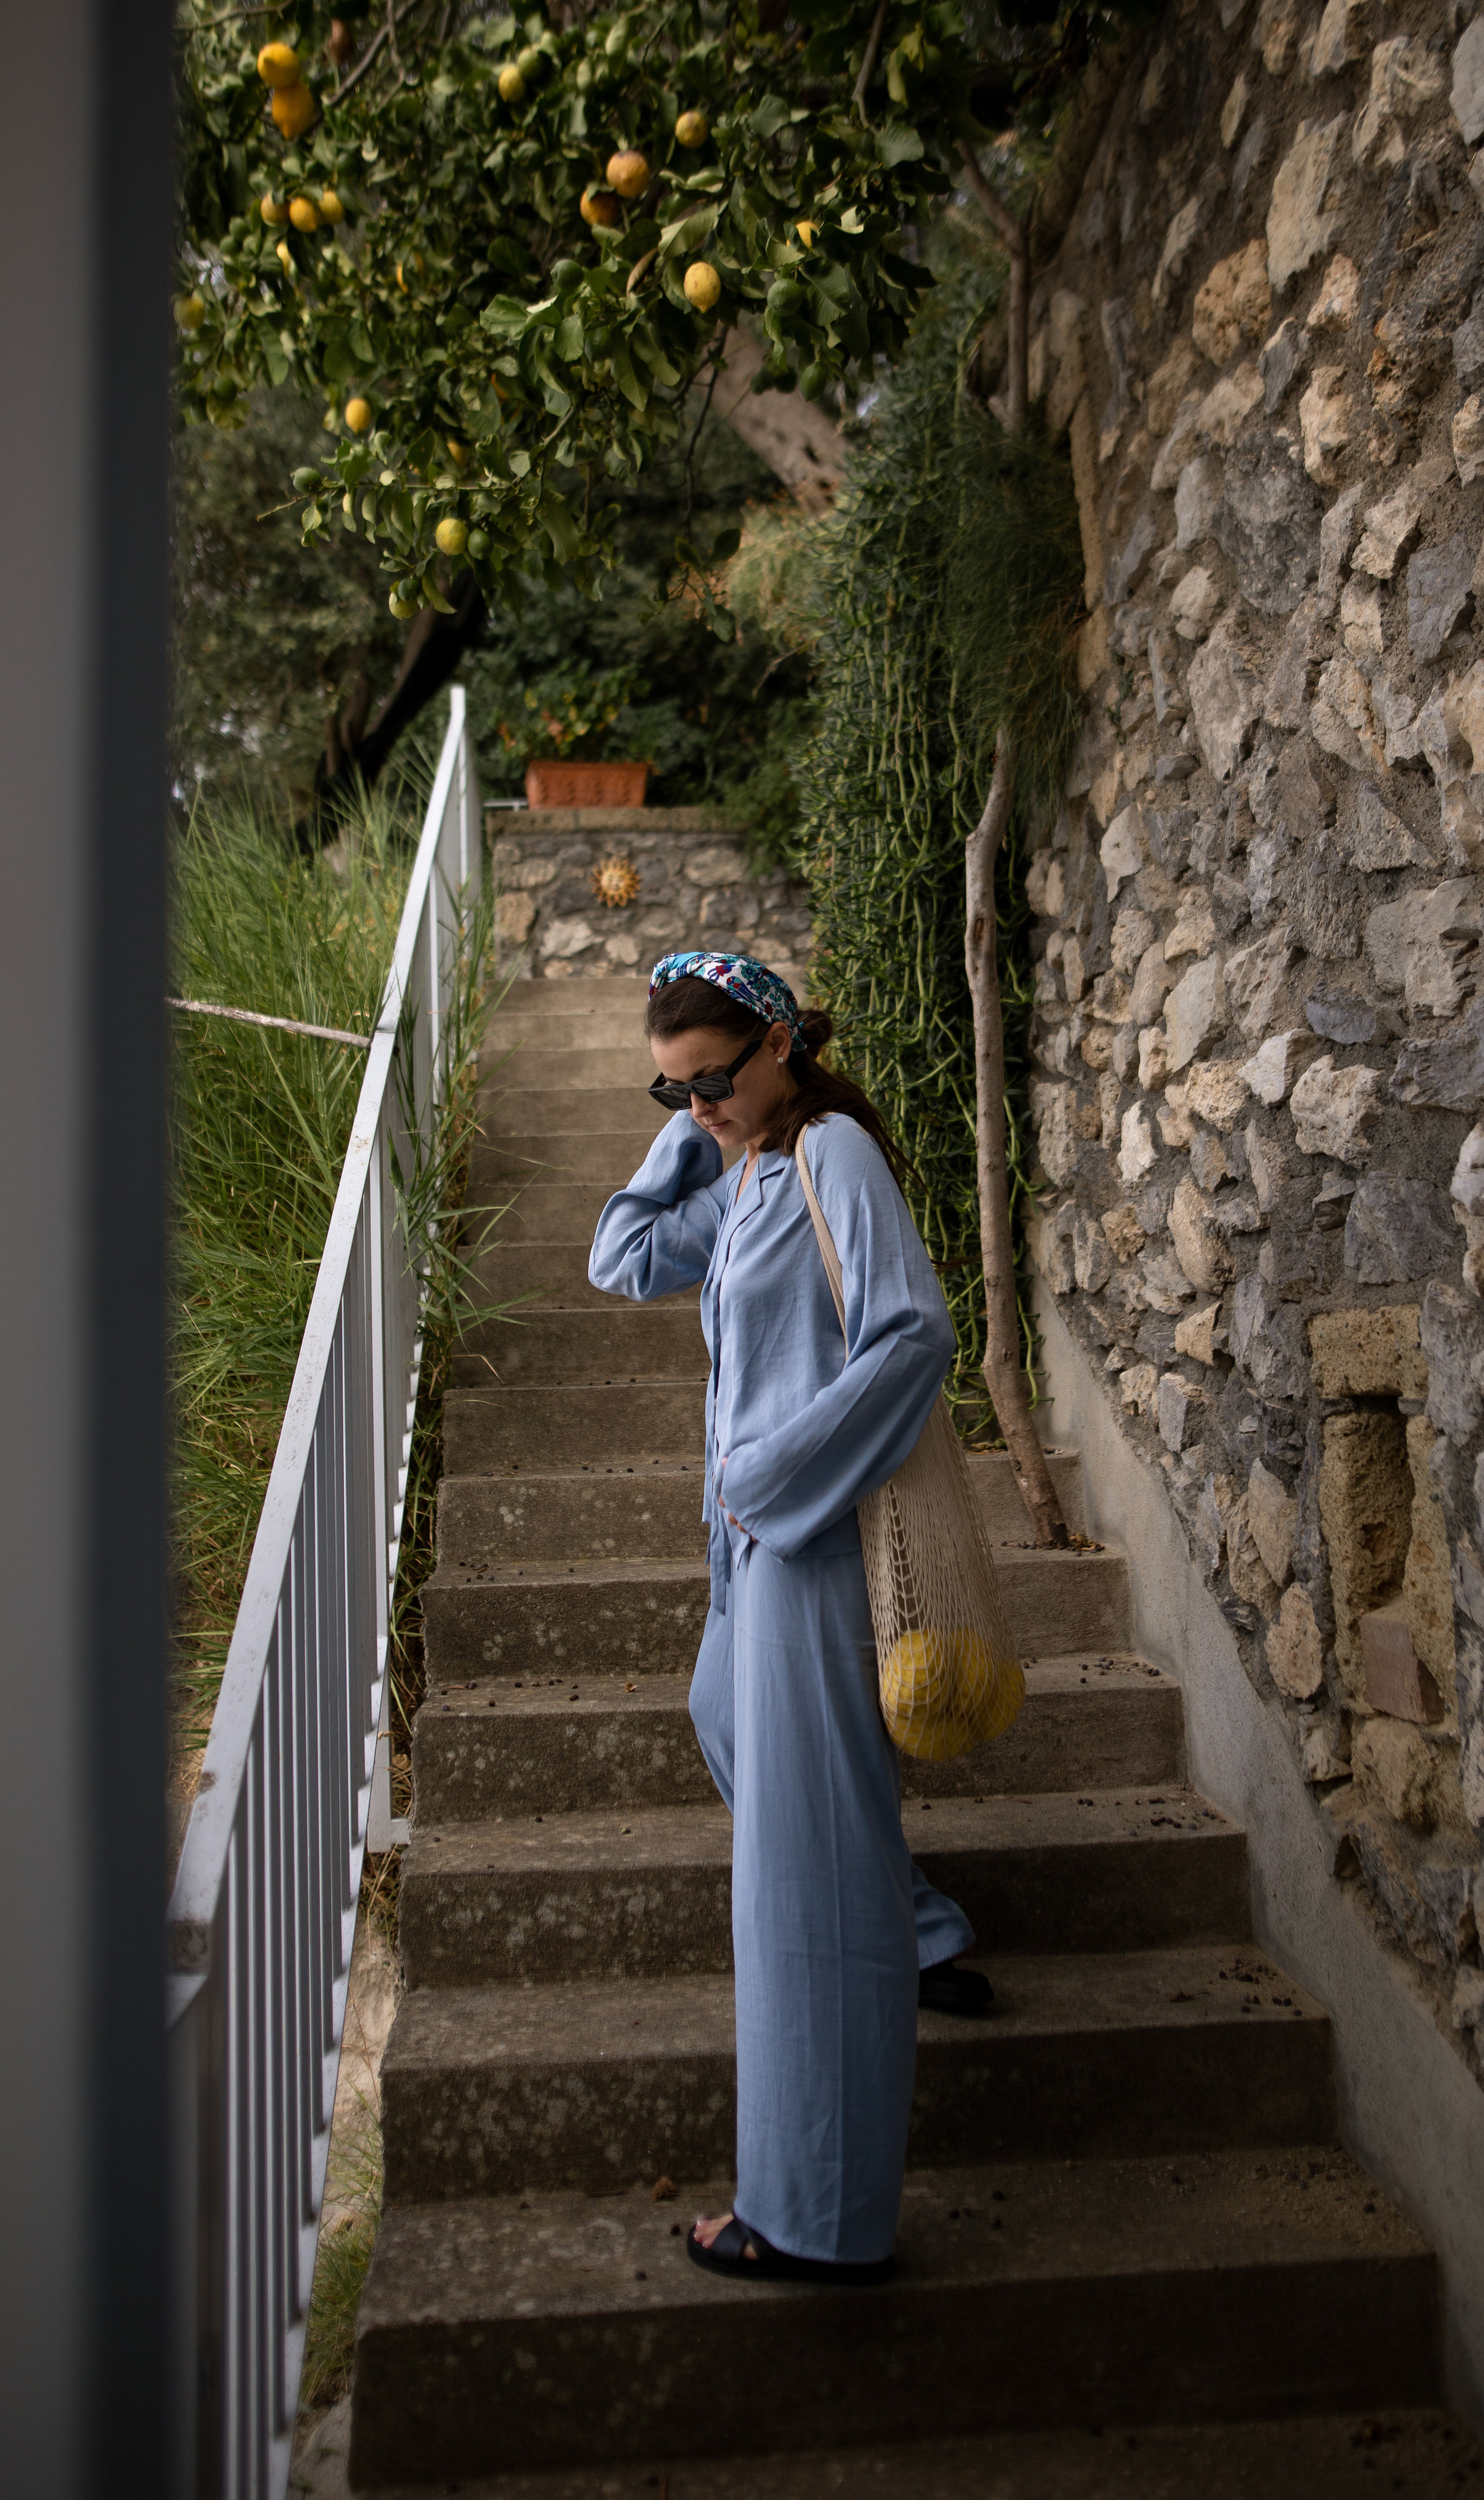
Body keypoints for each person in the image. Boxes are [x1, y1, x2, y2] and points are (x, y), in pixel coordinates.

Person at [588, 951, 993, 2287]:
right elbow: (623, 1255)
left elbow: (913, 1335)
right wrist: (695, 1122)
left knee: (798, 1888)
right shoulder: (744, 1172)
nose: (697, 1104)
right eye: (672, 1085)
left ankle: (817, 2215)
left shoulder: (829, 1155)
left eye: (715, 1077)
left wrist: (767, 1481)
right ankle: (921, 1925)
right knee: (726, 1729)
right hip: (749, 1557)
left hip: (806, 1546)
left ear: (782, 1044)